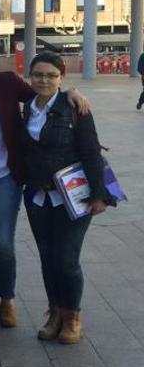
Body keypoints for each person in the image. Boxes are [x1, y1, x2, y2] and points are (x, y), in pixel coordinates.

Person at [0, 39, 89, 330]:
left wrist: (70, 91)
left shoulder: (6, 83)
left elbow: (43, 92)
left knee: (2, 241)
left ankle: (8, 299)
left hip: (5, 176)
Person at [22, 52, 113, 345]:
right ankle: (55, 313)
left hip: (74, 197)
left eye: (51, 75)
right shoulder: (26, 108)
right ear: (30, 76)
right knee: (48, 258)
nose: (44, 80)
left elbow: (90, 151)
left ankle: (72, 317)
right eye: (38, 75)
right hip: (38, 196)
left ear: (62, 78)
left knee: (66, 259)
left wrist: (99, 195)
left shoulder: (75, 108)